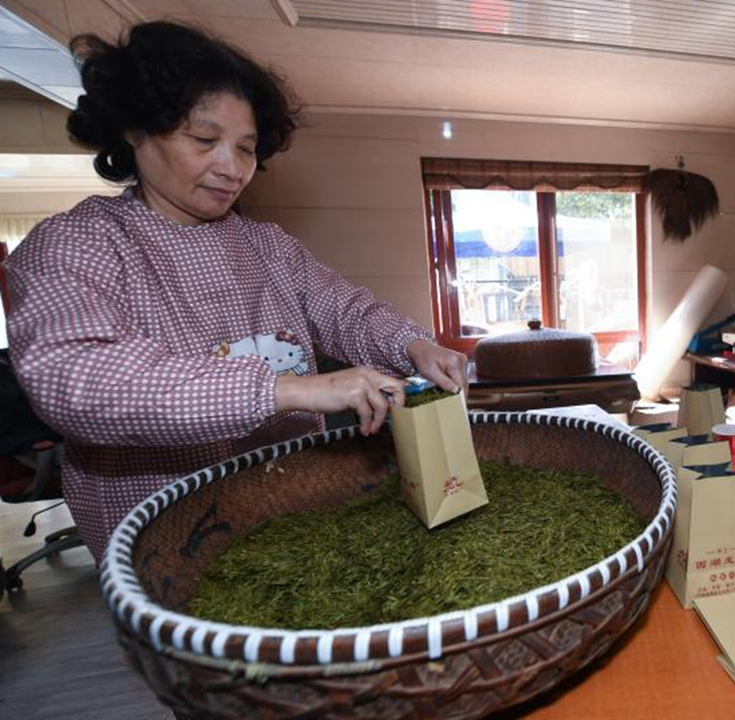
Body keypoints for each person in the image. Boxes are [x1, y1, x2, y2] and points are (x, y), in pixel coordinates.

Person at [3, 21, 468, 561]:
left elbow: (345, 312)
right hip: (167, 529)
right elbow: (77, 379)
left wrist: (414, 346)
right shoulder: (77, 243)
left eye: (246, 149)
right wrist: (289, 390)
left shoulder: (266, 245)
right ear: (134, 130)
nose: (231, 168)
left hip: (293, 502)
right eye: (204, 140)